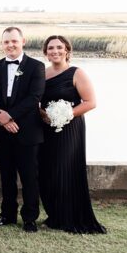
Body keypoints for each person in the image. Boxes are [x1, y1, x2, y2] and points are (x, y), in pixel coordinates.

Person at [38, 36, 106, 233]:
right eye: (51, 48)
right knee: (47, 171)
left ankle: (69, 217)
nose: (55, 51)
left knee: (64, 169)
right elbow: (37, 101)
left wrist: (65, 115)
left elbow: (90, 102)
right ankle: (55, 216)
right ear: (45, 52)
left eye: (59, 47)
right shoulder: (42, 74)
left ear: (67, 50)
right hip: (46, 128)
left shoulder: (77, 73)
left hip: (70, 129)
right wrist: (43, 114)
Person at [0, 26, 45, 232]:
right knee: (6, 175)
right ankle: (7, 215)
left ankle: (29, 218)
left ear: (23, 42)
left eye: (14, 41)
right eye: (6, 42)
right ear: (2, 44)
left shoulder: (37, 66)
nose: (10, 45)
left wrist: (9, 116)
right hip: (2, 131)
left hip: (28, 131)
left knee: (29, 176)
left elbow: (34, 98)